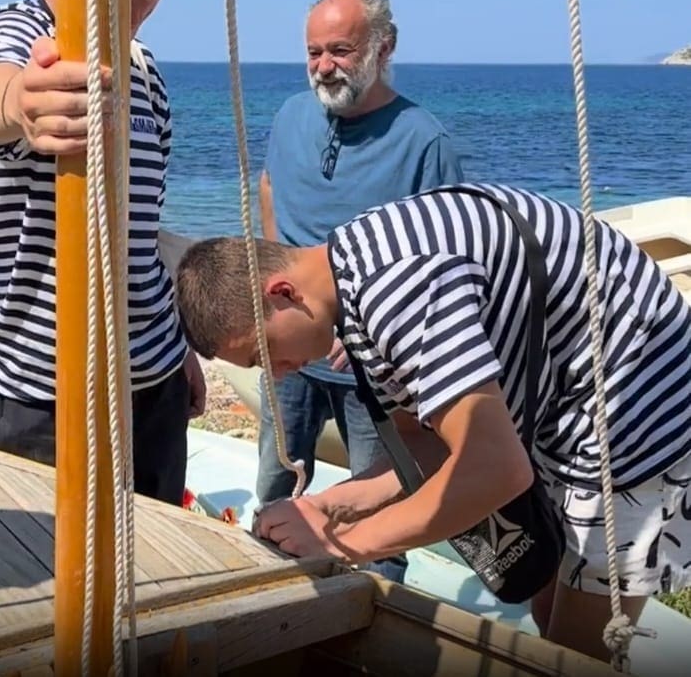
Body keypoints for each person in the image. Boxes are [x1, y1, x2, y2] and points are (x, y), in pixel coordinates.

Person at [174, 182, 691, 660]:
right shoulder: (348, 277)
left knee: (576, 652)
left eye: (264, 354)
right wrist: (328, 506)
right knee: (545, 604)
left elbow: (496, 470)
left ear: (283, 293)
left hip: (638, 406)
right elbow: (423, 448)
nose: (277, 374)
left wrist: (343, 544)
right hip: (564, 400)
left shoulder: (395, 291)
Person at [0, 0, 205, 506]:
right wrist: (21, 103)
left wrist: (177, 345)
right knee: (32, 555)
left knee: (156, 554)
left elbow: (143, 235)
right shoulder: (19, 30)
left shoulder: (145, 72)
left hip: (155, 381)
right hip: (40, 391)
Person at [255, 0, 464, 582]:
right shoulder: (291, 115)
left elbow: (446, 260)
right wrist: (274, 277)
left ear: (383, 47)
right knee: (273, 491)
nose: (324, 66)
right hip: (291, 357)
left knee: (378, 521)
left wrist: (371, 329)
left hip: (374, 374)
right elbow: (270, 189)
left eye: (340, 51)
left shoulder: (424, 140)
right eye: (313, 52)